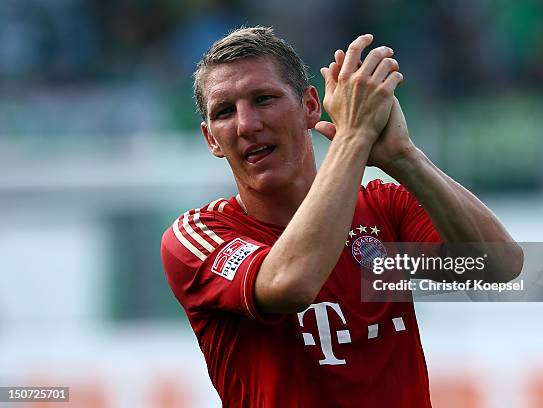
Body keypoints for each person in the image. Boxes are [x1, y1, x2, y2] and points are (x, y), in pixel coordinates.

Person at [160, 26, 522, 407]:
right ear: (211, 139)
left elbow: (499, 265)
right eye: (225, 112)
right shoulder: (197, 236)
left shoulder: (382, 208)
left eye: (264, 99)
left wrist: (403, 157)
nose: (247, 124)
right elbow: (291, 283)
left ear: (311, 107)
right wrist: (354, 137)